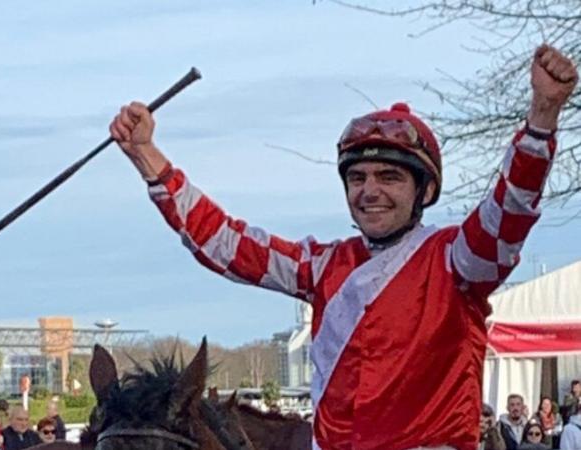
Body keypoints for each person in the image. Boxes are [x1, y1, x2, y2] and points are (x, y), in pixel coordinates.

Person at [109, 44, 578, 450]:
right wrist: (148, 157)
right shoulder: (323, 263)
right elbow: (227, 244)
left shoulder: (457, 259)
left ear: (425, 191)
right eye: (358, 178)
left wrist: (541, 119)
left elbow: (510, 210)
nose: (370, 190)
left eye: (389, 177)